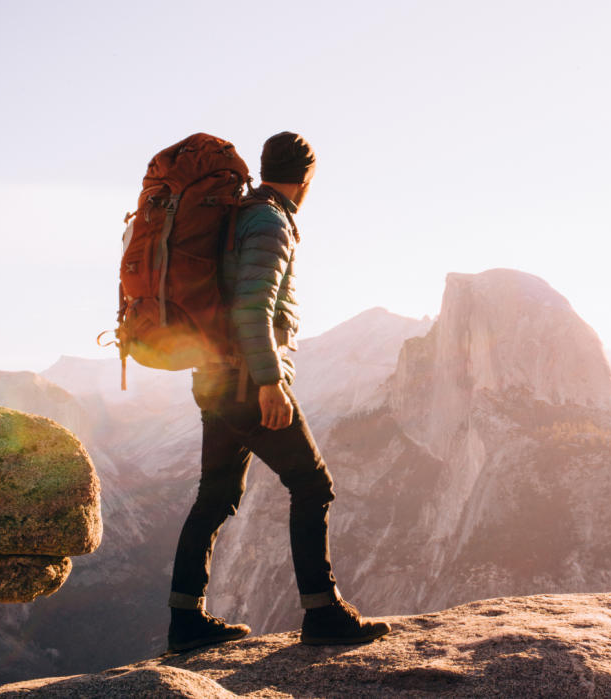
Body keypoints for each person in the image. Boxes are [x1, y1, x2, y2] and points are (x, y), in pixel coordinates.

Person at [166, 131, 391, 652]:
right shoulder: (270, 222)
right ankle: (322, 612)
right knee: (313, 486)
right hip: (246, 382)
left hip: (215, 377)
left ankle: (185, 622)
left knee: (215, 497)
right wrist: (270, 382)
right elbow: (253, 307)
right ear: (306, 179)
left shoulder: (242, 213)